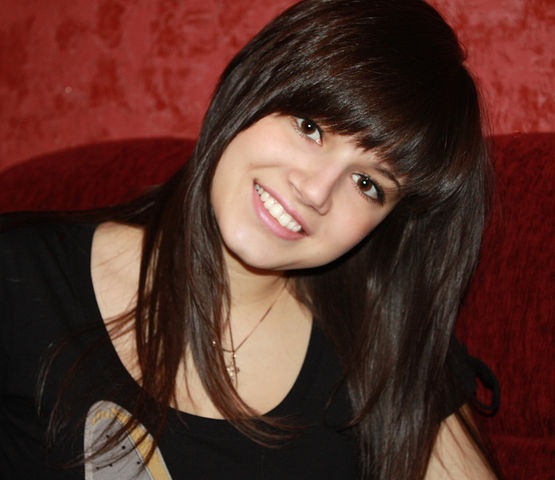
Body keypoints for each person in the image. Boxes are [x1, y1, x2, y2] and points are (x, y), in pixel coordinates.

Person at [0, 0, 501, 478]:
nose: (314, 191)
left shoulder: (390, 354)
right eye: (311, 127)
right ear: (252, 88)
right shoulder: (19, 274)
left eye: (367, 183)